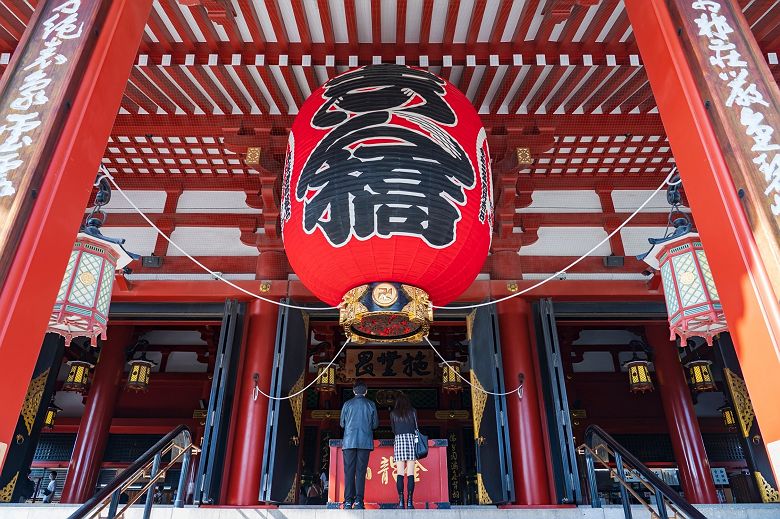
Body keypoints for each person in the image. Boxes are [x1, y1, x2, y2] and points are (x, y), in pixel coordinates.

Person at [339, 380, 378, 509]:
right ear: (366, 391)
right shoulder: (371, 404)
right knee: (361, 472)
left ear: (354, 391)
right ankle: (359, 502)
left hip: (349, 442)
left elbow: (342, 424)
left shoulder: (347, 404)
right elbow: (375, 425)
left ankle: (348, 501)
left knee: (349, 472)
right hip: (364, 442)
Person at [390, 392, 418, 509]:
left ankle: (401, 501)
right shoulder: (413, 411)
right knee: (410, 473)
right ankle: (410, 502)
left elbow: (393, 429)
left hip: (399, 440)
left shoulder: (393, 413)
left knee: (400, 473)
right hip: (411, 440)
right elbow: (417, 427)